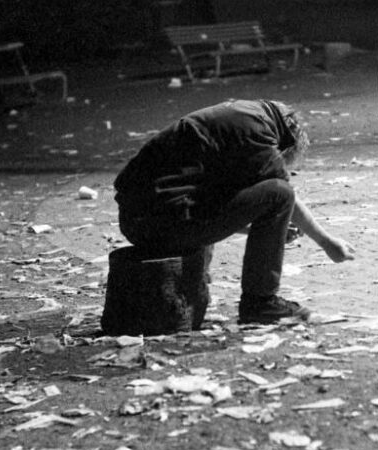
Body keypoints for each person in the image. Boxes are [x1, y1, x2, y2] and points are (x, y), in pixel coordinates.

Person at [113, 100, 355, 324]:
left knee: (258, 192)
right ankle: (261, 303)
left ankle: (247, 297)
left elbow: (212, 203)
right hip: (165, 224)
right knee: (279, 194)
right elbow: (283, 192)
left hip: (139, 223)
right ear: (285, 143)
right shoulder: (258, 131)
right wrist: (327, 242)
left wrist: (258, 229)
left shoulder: (235, 121)